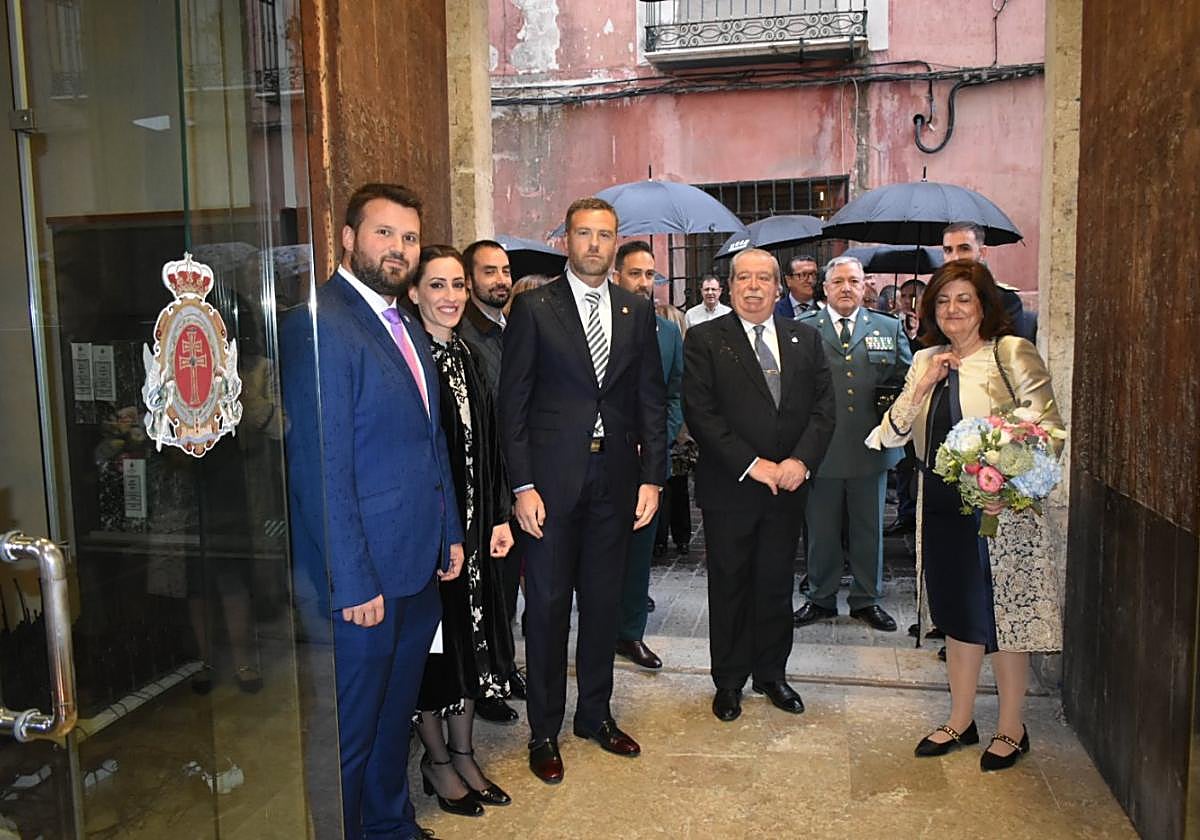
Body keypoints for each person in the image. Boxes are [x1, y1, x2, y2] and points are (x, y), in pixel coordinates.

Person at [281, 183, 463, 840]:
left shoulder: (405, 321)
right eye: (384, 233)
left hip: (415, 566)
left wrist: (449, 534)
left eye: (409, 237)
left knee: (393, 724)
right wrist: (353, 581)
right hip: (362, 583)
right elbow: (320, 467)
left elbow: (428, 437)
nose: (398, 248)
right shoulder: (319, 324)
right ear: (349, 237)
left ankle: (390, 825)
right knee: (348, 736)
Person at [867, 259, 1064, 771]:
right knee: (957, 612)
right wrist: (924, 381)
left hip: (1003, 507)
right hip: (940, 502)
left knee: (1004, 618)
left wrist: (1014, 488)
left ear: (983, 306)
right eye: (943, 301)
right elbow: (889, 435)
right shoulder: (926, 358)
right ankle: (960, 718)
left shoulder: (1011, 352)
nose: (953, 310)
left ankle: (1012, 727)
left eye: (964, 300)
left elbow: (1049, 432)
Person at [498, 197, 667, 784]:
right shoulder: (536, 307)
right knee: (545, 610)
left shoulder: (634, 310)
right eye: (584, 234)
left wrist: (653, 478)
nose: (595, 244)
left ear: (616, 241)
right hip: (548, 485)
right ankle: (543, 730)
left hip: (615, 482)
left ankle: (594, 715)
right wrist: (521, 485)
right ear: (566, 240)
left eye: (605, 234)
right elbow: (512, 405)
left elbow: (650, 399)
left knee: (602, 607)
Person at [683, 248, 835, 723]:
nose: (753, 287)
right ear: (729, 288)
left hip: (789, 486)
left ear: (778, 286)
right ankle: (728, 680)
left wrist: (800, 462)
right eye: (743, 278)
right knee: (729, 585)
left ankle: (772, 673)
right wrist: (754, 465)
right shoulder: (705, 339)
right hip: (732, 486)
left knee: (774, 583)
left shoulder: (806, 338)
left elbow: (824, 409)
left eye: (763, 279)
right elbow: (701, 414)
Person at [403, 245, 516, 818]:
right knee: (435, 649)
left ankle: (466, 752)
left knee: (471, 642)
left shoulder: (469, 355)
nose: (450, 297)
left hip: (474, 532)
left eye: (457, 286)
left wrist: (497, 516)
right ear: (415, 292)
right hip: (432, 539)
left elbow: (490, 445)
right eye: (438, 285)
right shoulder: (410, 359)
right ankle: (436, 761)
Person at [792, 256, 911, 632]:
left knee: (868, 529)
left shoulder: (887, 328)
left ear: (865, 287)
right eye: (838, 281)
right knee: (821, 530)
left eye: (854, 282)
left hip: (870, 447)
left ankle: (866, 599)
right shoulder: (803, 328)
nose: (846, 288)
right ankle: (820, 598)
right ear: (825, 288)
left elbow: (906, 383)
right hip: (820, 449)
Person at [456, 238, 524, 725]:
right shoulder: (466, 336)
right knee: (486, 592)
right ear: (468, 279)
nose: (500, 279)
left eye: (504, 271)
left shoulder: (508, 327)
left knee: (506, 589)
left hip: (511, 480)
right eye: (488, 272)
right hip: (483, 486)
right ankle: (486, 684)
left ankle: (504, 666)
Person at [612, 241, 684, 671]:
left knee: (639, 556)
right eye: (636, 273)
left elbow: (675, 396)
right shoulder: (599, 323)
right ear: (617, 275)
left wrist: (656, 439)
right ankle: (599, 629)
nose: (644, 283)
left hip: (649, 464)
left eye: (651, 275)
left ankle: (630, 634)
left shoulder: (670, 333)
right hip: (601, 460)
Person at [942, 221, 1037, 341]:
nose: (955, 258)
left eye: (964, 249)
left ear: (982, 253)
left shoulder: (1004, 299)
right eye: (948, 250)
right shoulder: (935, 298)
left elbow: (1014, 352)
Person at [653, 304, 695, 558]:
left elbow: (676, 392)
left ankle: (670, 539)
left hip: (672, 434)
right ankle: (679, 538)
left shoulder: (671, 338)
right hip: (670, 433)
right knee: (673, 489)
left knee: (672, 488)